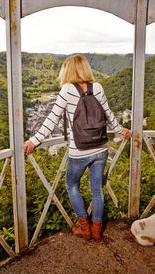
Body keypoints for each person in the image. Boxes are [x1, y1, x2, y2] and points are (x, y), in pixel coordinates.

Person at [24, 54, 131, 242]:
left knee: (72, 185)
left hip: (79, 151)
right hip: (100, 148)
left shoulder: (67, 90)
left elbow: (52, 119)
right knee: (97, 190)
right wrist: (120, 130)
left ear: (68, 70)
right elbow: (108, 115)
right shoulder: (97, 87)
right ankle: (97, 231)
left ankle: (84, 228)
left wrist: (34, 141)